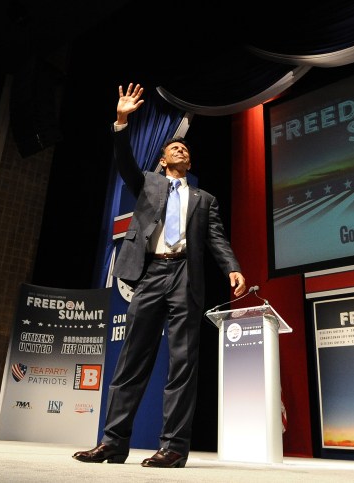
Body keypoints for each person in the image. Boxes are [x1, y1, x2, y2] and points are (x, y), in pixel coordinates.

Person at [73, 82, 246, 469]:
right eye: (174, 148)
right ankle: (112, 443)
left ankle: (173, 447)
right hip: (151, 274)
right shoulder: (148, 183)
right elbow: (125, 162)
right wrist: (121, 120)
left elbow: (217, 239)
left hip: (186, 275)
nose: (182, 149)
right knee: (132, 360)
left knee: (183, 363)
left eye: (185, 148)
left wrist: (232, 268)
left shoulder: (206, 200)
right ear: (165, 159)